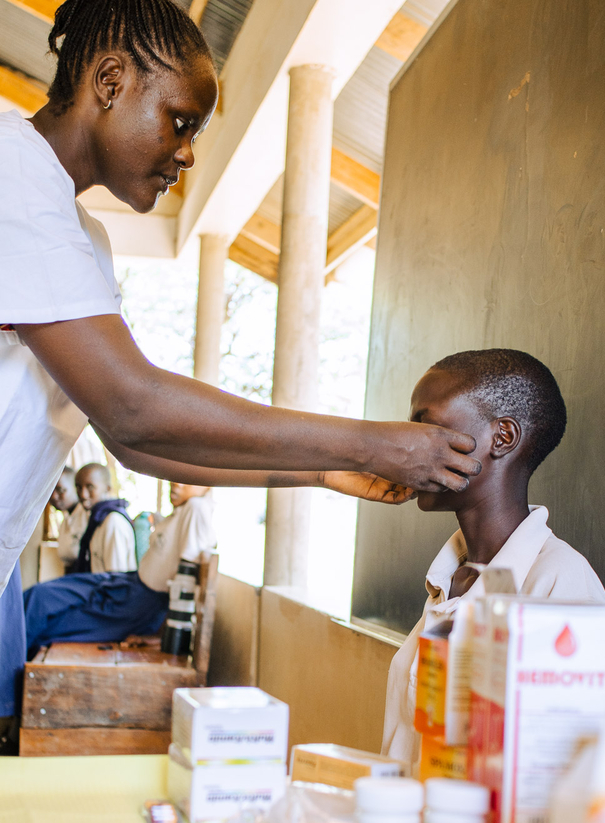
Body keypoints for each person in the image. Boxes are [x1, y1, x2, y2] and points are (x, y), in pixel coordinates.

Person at [0, 0, 481, 610]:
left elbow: (137, 446)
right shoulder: (11, 171)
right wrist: (367, 442)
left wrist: (320, 471)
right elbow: (133, 405)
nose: (188, 155)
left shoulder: (84, 241)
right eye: (180, 122)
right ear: (111, 81)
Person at [382, 349, 605, 766]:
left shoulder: (557, 582)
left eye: (424, 426)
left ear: (501, 438)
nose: (404, 446)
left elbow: (561, 774)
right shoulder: (449, 579)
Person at [23, 481, 215, 658]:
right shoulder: (183, 510)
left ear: (207, 483)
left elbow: (186, 582)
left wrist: (163, 636)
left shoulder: (197, 508)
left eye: (186, 480)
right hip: (128, 583)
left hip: (138, 606)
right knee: (39, 595)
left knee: (46, 624)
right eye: (175, 476)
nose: (176, 483)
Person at [71, 463, 136, 574]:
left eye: (90, 487)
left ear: (107, 488)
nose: (83, 495)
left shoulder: (113, 522)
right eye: (78, 487)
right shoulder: (96, 519)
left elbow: (115, 578)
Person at [49, 467, 89, 570]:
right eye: (50, 490)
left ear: (76, 488)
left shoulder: (88, 516)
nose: (54, 496)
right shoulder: (66, 519)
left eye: (60, 490)